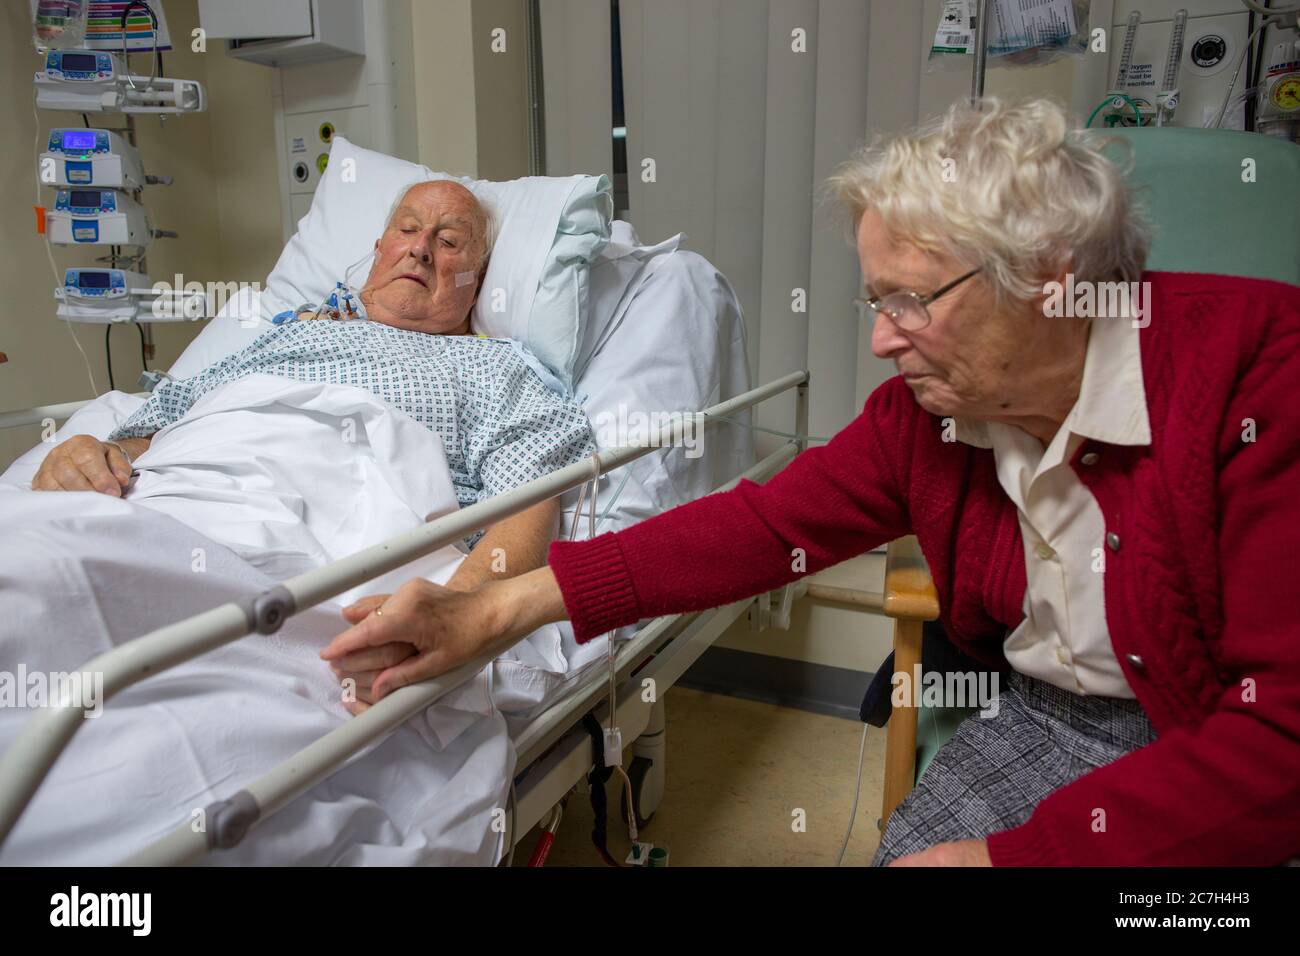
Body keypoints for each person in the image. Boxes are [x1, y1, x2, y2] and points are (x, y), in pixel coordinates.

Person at [318, 97, 1300, 866]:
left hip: (1222, 734)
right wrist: (496, 609)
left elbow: (1281, 736)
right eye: (875, 301)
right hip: (1051, 716)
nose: (879, 340)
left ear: (1048, 277)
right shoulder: (927, 420)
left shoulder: (1261, 379)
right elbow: (756, 527)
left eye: (910, 300)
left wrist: (1020, 856)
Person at [33, 180, 596, 700]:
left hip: (313, 538)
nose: (420, 248)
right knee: (41, 573)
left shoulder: (493, 369)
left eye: (448, 242)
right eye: (407, 229)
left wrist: (458, 610)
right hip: (169, 495)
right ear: (378, 249)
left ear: (479, 279)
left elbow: (527, 505)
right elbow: (152, 432)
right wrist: (83, 454)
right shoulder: (292, 333)